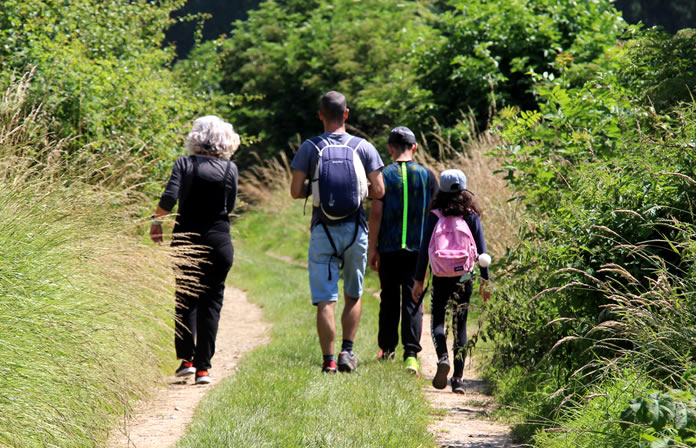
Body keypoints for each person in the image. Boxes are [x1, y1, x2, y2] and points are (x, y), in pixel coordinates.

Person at [290, 91, 385, 373]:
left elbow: (295, 191)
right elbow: (379, 191)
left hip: (323, 230)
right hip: (356, 230)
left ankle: (328, 362)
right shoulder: (363, 147)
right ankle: (347, 352)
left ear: (320, 115)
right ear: (346, 114)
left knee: (325, 300)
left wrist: (315, 187)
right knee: (353, 294)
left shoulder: (310, 147)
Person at [150, 115, 240, 385]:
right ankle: (204, 369)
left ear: (196, 137)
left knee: (185, 298)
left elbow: (168, 198)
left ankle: (186, 360)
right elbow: (231, 206)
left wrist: (156, 221)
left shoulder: (184, 164)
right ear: (225, 140)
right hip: (219, 242)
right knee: (211, 303)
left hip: (186, 240)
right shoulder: (229, 169)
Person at [367, 126, 438, 376]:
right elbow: (435, 215)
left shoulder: (383, 175)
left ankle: (387, 351)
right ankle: (411, 356)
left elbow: (376, 213)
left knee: (388, 298)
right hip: (418, 251)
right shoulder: (428, 176)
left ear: (389, 149)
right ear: (415, 148)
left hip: (388, 247)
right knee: (413, 300)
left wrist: (372, 248)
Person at [411, 169, 491, 393]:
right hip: (464, 276)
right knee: (460, 324)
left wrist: (419, 280)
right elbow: (482, 253)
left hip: (440, 275)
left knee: (437, 319)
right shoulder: (470, 215)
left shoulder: (434, 215)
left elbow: (424, 251)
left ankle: (442, 357)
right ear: (464, 190)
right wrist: (486, 281)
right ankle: (458, 378)